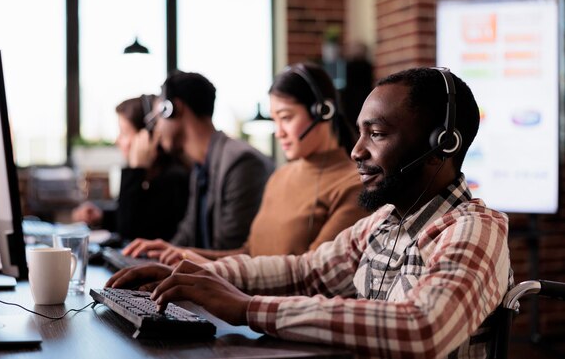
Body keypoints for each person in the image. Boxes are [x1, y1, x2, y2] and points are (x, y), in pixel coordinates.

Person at [107, 67, 513, 358]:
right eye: (359, 132)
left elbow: (422, 328)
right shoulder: (384, 223)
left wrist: (248, 308)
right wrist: (196, 275)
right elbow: (305, 272)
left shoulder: (474, 231)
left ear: (441, 144)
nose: (357, 150)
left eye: (377, 134)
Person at [127, 63, 368, 265]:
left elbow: (310, 273)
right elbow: (249, 254)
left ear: (323, 111)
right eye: (275, 120)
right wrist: (178, 254)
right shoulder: (280, 177)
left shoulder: (352, 186)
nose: (278, 132)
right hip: (247, 309)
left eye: (286, 118)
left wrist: (205, 265)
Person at [122, 71, 274, 255]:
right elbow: (186, 236)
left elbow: (230, 251)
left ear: (174, 109)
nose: (157, 129)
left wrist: (178, 255)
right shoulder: (201, 167)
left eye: (157, 119)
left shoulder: (241, 163)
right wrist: (159, 255)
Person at [72, 96, 190, 242]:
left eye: (124, 133)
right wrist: (101, 216)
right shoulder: (151, 175)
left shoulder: (173, 179)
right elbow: (140, 216)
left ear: (147, 136)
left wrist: (135, 170)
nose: (117, 140)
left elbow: (129, 230)